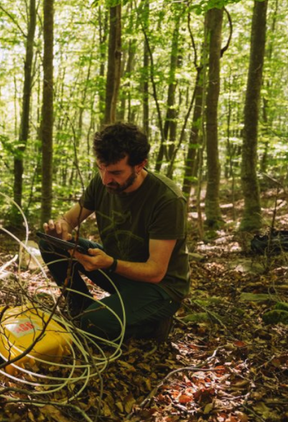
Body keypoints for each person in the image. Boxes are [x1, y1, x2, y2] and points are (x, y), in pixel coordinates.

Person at [40, 122, 190, 342]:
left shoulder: (166, 200)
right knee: (48, 243)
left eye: (116, 172)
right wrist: (60, 229)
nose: (105, 179)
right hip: (116, 267)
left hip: (160, 288)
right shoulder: (103, 183)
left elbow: (156, 271)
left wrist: (109, 263)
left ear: (139, 165)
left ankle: (153, 326)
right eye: (101, 168)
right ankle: (80, 305)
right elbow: (69, 220)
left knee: (93, 324)